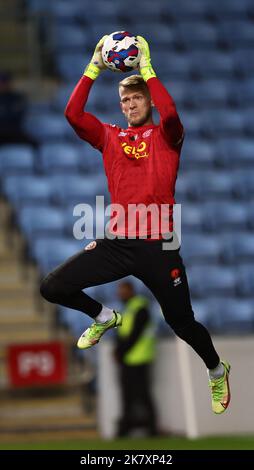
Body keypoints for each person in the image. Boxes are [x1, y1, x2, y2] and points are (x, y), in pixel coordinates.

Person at [40, 35, 231, 415]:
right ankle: (104, 317)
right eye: (124, 101)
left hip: (160, 247)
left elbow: (172, 112)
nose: (129, 105)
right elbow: (73, 115)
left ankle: (215, 370)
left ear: (148, 101)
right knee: (52, 286)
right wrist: (93, 66)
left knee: (182, 323)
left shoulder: (167, 135)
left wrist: (147, 68)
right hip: (118, 243)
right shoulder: (110, 137)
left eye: (136, 98)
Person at [114, 281, 157, 437]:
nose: (120, 294)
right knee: (129, 396)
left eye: (123, 290)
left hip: (139, 358)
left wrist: (120, 352)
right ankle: (127, 428)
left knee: (143, 396)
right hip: (130, 359)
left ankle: (152, 429)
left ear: (131, 291)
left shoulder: (139, 307)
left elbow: (135, 334)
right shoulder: (128, 308)